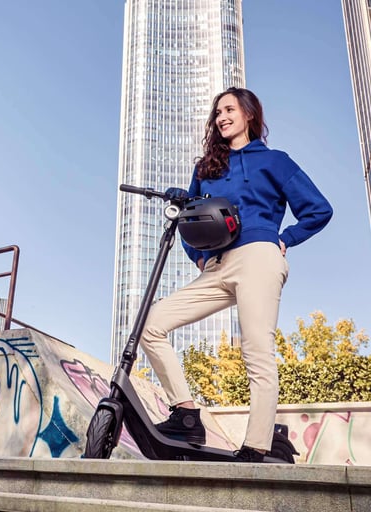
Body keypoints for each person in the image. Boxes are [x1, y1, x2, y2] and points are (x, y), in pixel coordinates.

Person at [140, 87, 332, 462]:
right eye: (217, 112)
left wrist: (284, 239)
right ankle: (186, 413)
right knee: (151, 323)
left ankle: (255, 446)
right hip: (217, 266)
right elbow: (187, 216)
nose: (222, 116)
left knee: (256, 350)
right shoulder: (206, 169)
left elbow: (318, 210)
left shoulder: (275, 161)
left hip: (259, 257)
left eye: (229, 109)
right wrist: (198, 256)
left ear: (248, 115)